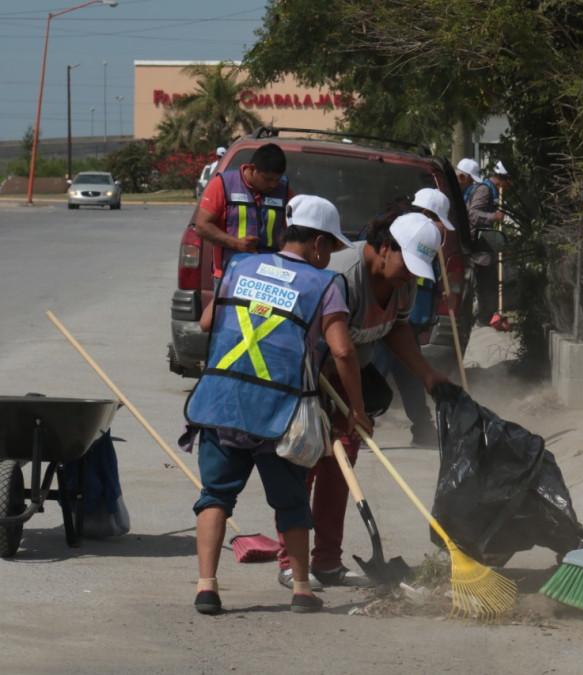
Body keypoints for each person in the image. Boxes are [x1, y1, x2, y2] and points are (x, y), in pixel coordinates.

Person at [183, 195, 358, 616]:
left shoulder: (241, 267)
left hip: (221, 402)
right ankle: (301, 590)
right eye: (330, 248)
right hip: (279, 413)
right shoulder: (325, 285)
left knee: (215, 497)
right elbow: (343, 352)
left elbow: (207, 322)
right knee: (291, 502)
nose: (330, 257)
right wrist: (356, 409)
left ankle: (207, 588)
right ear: (317, 243)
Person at [275, 211, 451, 589]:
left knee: (340, 472)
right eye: (409, 264)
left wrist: (427, 374)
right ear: (384, 248)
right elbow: (340, 351)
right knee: (304, 467)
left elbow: (397, 327)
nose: (413, 276)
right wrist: (356, 407)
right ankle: (291, 561)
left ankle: (326, 561)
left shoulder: (403, 282)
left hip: (349, 379)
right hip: (310, 376)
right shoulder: (342, 275)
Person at [371, 188, 455, 448]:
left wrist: (443, 289)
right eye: (440, 220)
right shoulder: (400, 233)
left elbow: (430, 274)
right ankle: (361, 420)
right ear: (428, 214)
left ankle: (424, 429)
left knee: (409, 372)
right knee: (375, 371)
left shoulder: (428, 240)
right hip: (387, 318)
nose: (442, 229)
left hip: (409, 318)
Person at [193, 142, 295, 280]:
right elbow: (201, 226)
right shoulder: (223, 184)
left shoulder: (284, 191)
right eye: (268, 179)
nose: (273, 185)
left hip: (269, 276)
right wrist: (236, 243)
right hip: (230, 275)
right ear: (253, 169)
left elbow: (292, 231)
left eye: (277, 180)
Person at [465, 160, 512, 328]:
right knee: (486, 282)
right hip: (478, 246)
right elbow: (473, 215)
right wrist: (493, 217)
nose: (509, 187)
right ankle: (482, 319)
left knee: (490, 281)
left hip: (487, 245)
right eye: (509, 182)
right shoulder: (484, 190)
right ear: (502, 179)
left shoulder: (493, 191)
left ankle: (486, 316)